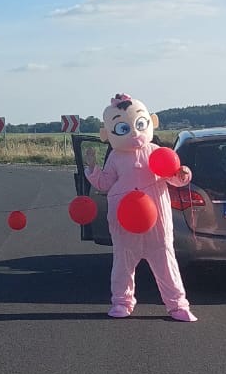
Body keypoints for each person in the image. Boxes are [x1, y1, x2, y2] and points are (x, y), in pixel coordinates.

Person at [84, 93, 196, 322]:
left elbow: (173, 176)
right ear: (107, 134)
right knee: (123, 263)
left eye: (140, 124)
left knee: (166, 263)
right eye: (124, 128)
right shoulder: (115, 156)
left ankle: (177, 305)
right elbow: (105, 183)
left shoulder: (157, 151)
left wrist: (181, 174)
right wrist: (93, 167)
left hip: (158, 222)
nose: (135, 132)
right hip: (124, 221)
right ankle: (122, 302)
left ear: (150, 122)